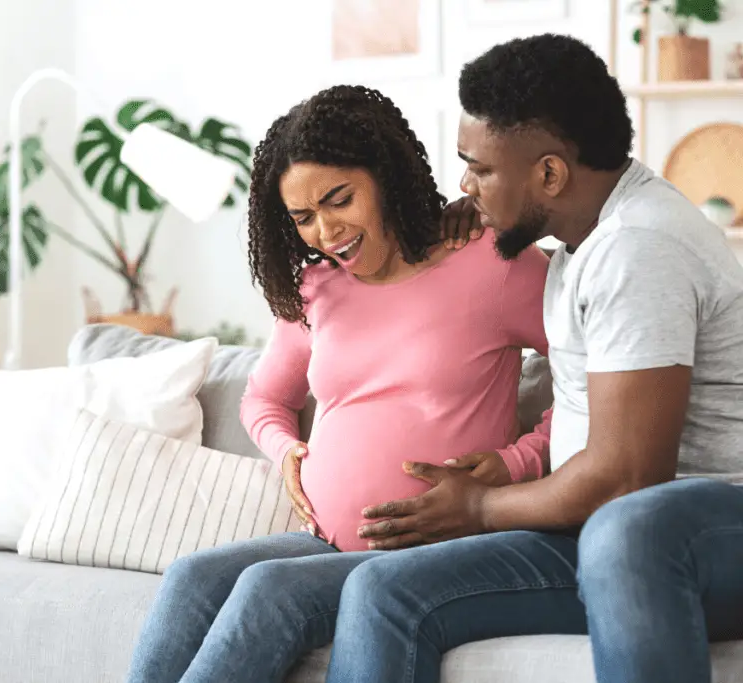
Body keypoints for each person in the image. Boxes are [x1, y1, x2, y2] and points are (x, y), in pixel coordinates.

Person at [319, 34, 743, 683]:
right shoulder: (577, 237)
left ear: (549, 174)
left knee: (623, 531)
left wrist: (481, 507)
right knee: (383, 591)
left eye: (479, 168)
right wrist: (489, 206)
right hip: (600, 534)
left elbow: (627, 476)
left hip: (704, 532)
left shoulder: (638, 247)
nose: (463, 184)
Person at [124, 84, 553, 683]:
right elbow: (265, 399)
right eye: (303, 217)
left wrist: (516, 462)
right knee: (192, 576)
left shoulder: (493, 264)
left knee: (271, 589)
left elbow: (593, 381)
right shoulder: (316, 289)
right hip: (327, 541)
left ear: (386, 174)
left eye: (339, 199)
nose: (325, 231)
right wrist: (288, 452)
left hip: (437, 548)